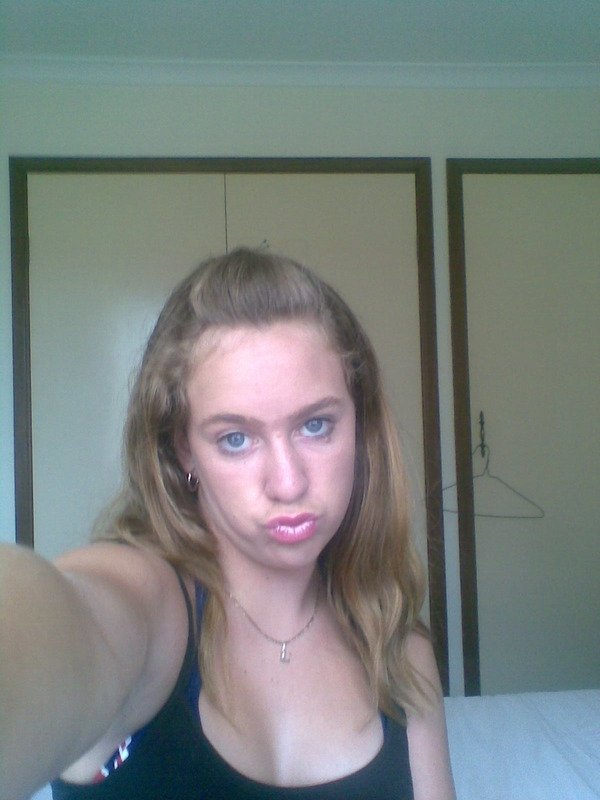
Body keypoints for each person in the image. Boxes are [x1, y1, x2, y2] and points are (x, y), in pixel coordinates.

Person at [1, 248, 455, 800]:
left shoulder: (400, 650)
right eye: (235, 439)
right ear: (184, 451)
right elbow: (60, 622)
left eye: (316, 425)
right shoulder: (153, 610)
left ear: (359, 428)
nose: (287, 483)